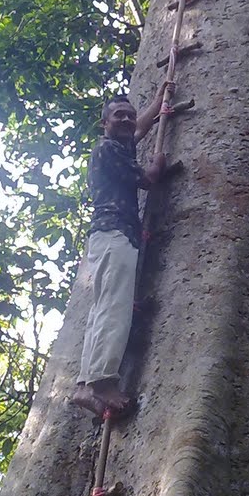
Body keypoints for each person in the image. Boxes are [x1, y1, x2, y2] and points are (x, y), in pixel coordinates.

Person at [71, 84, 170, 420]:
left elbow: (138, 129)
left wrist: (157, 104)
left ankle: (85, 385)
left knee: (102, 308)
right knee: (114, 306)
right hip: (115, 233)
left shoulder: (117, 147)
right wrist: (159, 161)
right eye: (119, 116)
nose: (127, 120)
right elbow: (148, 178)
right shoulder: (108, 150)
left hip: (106, 236)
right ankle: (103, 381)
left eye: (129, 114)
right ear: (105, 124)